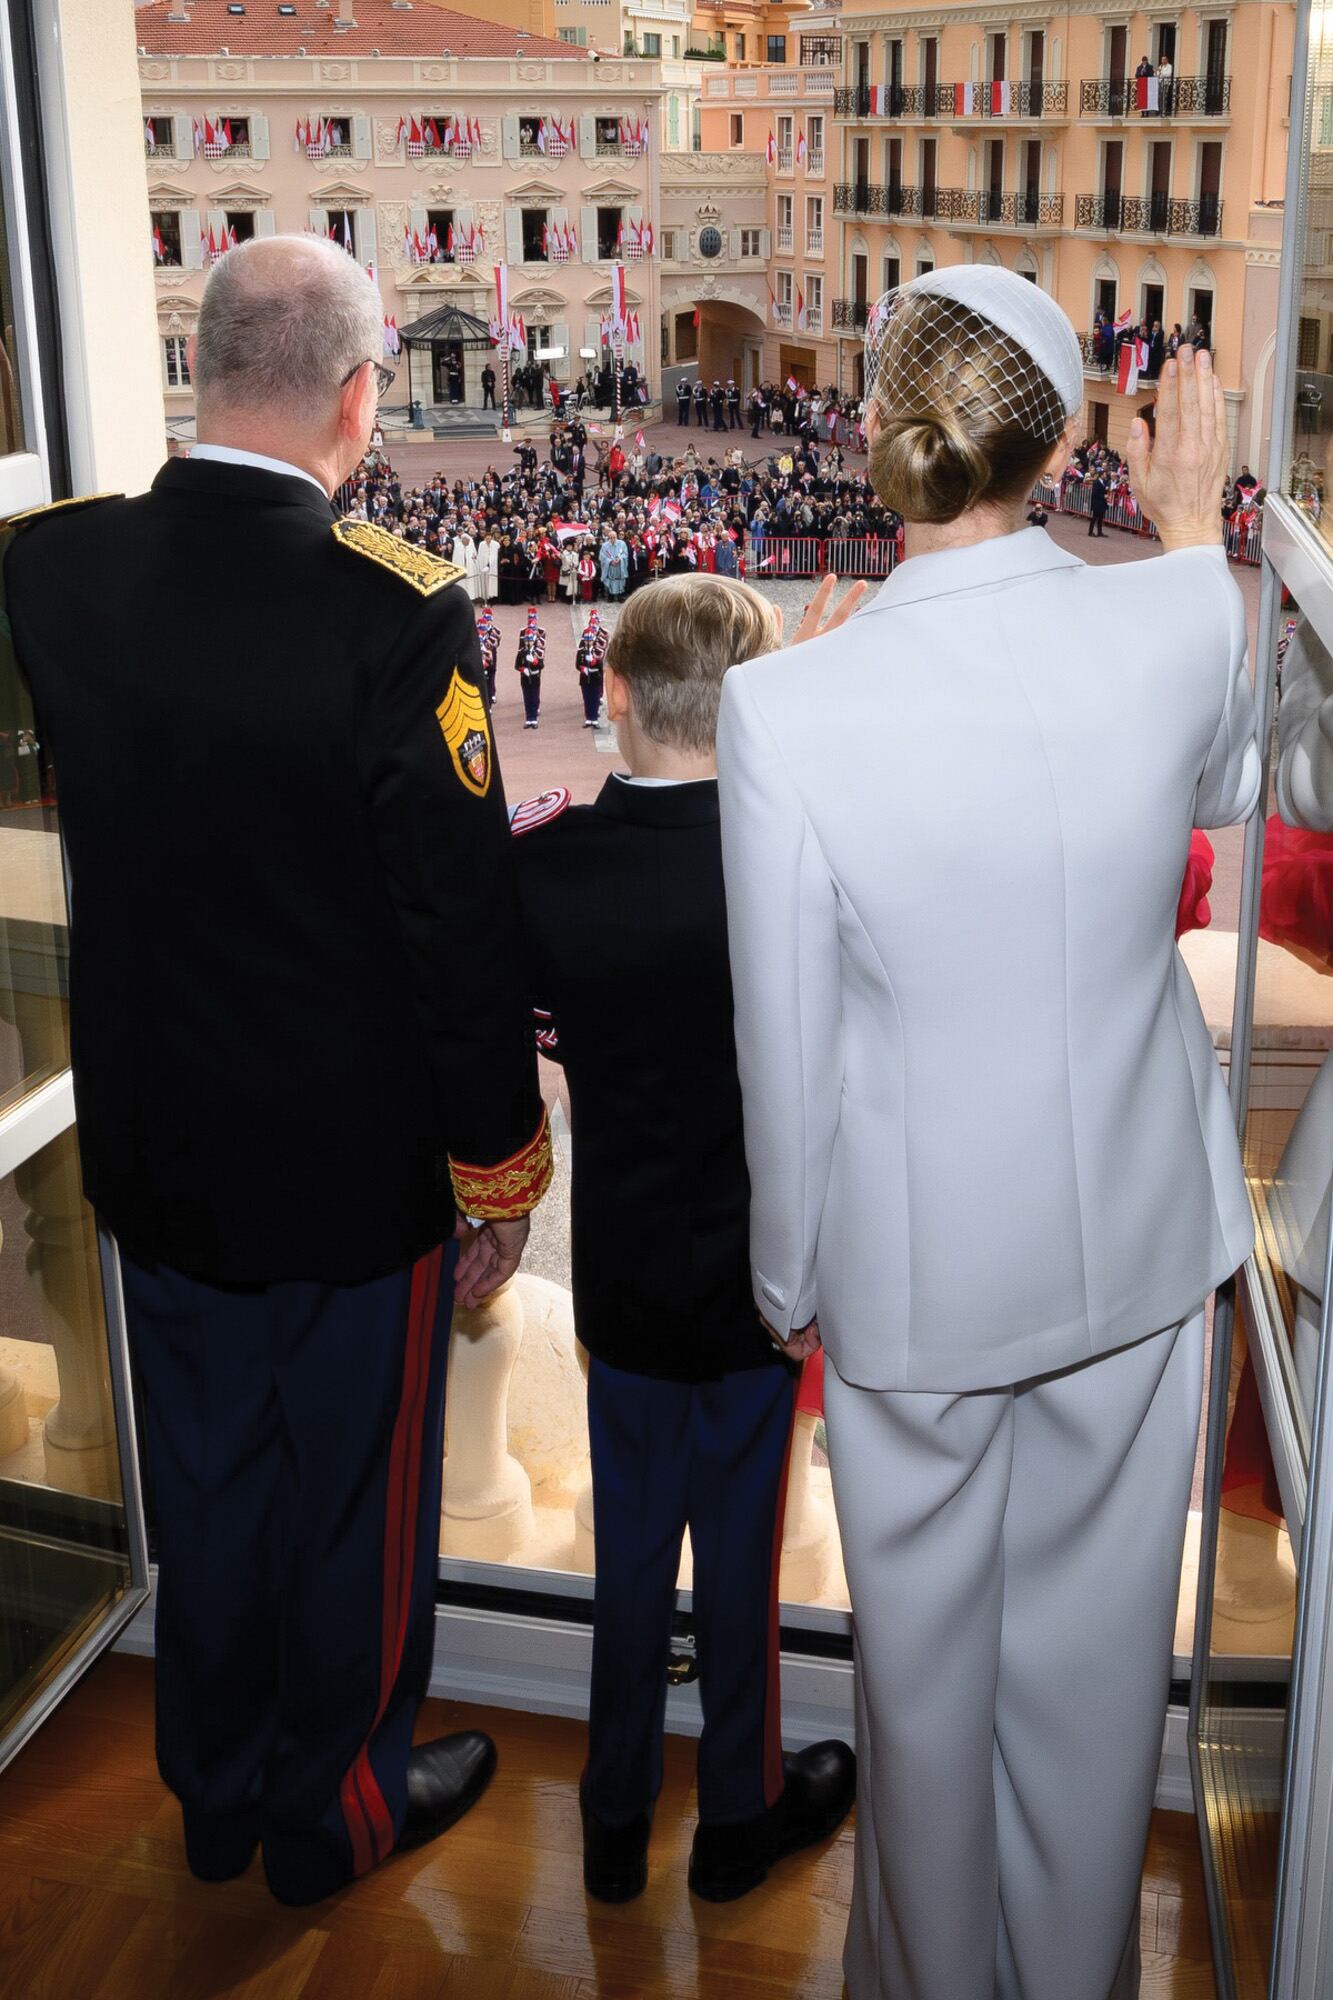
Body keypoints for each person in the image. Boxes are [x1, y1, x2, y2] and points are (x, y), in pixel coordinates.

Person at [716, 267, 1260, 2000]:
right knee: (1097, 1699)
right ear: (1055, 442)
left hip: (915, 1282)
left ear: (877, 429)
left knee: (925, 1703)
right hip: (1134, 1255)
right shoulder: (1175, 617)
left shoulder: (785, 709)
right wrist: (1191, 532)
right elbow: (1256, 777)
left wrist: (785, 1276)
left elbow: (782, 1056)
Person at [0, 235, 554, 1906]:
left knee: (210, 1483)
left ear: (199, 364)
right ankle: (337, 1816)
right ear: (357, 394)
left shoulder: (55, 571)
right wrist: (498, 1173)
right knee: (349, 1514)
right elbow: (459, 932)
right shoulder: (391, 610)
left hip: (155, 1146)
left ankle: (215, 1788)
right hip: (345, 1171)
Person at [511, 572, 859, 1910]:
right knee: (741, 1572)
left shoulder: (546, 865)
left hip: (621, 1274)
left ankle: (611, 1819)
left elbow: (510, 1051)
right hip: (758, 1288)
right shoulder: (794, 862)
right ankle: (736, 1815)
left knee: (629, 1559)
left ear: (610, 691)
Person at [573, 608, 608, 725]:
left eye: (589, 640)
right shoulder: (582, 650)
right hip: (585, 677)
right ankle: (589, 718)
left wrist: (594, 661)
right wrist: (583, 668)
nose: (588, 642)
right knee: (587, 698)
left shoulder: (598, 646)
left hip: (595, 676)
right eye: (587, 640)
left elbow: (600, 661)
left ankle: (594, 717)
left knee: (595, 697)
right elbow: (578, 664)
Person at [515, 606, 545, 726]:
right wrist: (523, 669)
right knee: (527, 698)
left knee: (534, 696)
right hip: (525, 677)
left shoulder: (537, 651)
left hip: (535, 676)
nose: (528, 642)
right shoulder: (522, 652)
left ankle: (534, 718)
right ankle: (529, 718)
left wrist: (534, 662)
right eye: (527, 641)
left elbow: (541, 664)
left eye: (530, 640)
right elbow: (517, 665)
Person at [476, 601, 500, 704]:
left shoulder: (495, 631)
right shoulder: (478, 630)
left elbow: (495, 644)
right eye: (486, 619)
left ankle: (492, 693)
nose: (487, 621)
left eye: (488, 619)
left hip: (491, 654)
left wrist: (488, 639)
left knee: (491, 674)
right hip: (480, 655)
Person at [1089, 467, 1108, 536]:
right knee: (1094, 518)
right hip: (1097, 503)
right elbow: (1095, 493)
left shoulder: (1104, 482)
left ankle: (1099, 532)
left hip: (1102, 503)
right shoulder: (1096, 482)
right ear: (1101, 475)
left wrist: (1106, 492)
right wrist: (1103, 496)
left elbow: (1103, 491)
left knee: (1100, 518)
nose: (1105, 476)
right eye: (1104, 474)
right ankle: (1090, 532)